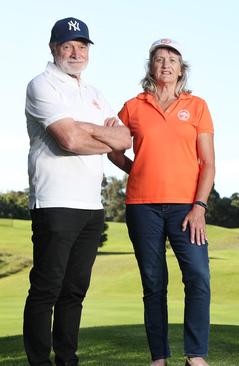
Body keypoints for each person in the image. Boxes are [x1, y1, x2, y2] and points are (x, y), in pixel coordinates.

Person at [23, 17, 131, 366]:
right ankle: (39, 361)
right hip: (54, 201)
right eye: (67, 45)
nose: (75, 52)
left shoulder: (94, 93)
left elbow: (124, 140)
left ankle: (67, 359)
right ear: (54, 48)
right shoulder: (42, 85)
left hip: (91, 205)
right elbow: (68, 140)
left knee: (74, 292)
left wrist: (84, 128)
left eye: (81, 46)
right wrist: (100, 133)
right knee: (46, 289)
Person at [108, 38, 215, 366]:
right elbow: (113, 148)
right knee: (154, 282)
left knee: (197, 275)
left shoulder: (197, 106)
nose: (166, 64)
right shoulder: (133, 106)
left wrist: (200, 206)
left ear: (181, 69)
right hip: (142, 207)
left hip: (187, 207)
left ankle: (195, 355)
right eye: (159, 59)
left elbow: (208, 163)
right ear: (150, 67)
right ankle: (159, 357)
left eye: (172, 59)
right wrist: (134, 169)